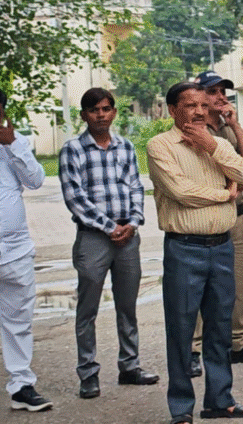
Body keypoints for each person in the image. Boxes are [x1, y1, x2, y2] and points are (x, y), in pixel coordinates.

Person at [147, 82, 243, 423]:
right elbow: (180, 191)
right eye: (189, 105)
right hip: (185, 248)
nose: (198, 111)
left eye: (202, 106)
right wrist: (225, 195)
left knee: (220, 327)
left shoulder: (218, 144)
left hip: (222, 246)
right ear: (172, 110)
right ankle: (181, 408)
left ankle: (219, 400)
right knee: (181, 330)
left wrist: (212, 147)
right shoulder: (160, 146)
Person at [58, 88, 158, 399]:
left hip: (127, 237)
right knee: (87, 309)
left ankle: (130, 366)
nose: (100, 115)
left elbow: (135, 186)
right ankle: (88, 373)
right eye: (94, 110)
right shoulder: (73, 150)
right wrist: (109, 226)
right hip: (93, 238)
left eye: (105, 109)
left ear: (114, 112)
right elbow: (74, 197)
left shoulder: (125, 146)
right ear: (84, 115)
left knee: (127, 306)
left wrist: (134, 222)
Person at [191, 71, 243, 378]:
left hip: (237, 213)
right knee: (200, 285)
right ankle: (194, 348)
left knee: (240, 282)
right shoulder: (193, 128)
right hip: (207, 215)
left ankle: (238, 341)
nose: (221, 96)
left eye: (223, 91)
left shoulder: (227, 126)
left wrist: (235, 124)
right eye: (213, 91)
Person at [0, 88, 53, 413]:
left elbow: (36, 180)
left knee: (18, 319)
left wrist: (12, 144)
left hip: (15, 249)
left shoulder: (13, 142)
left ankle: (21, 386)